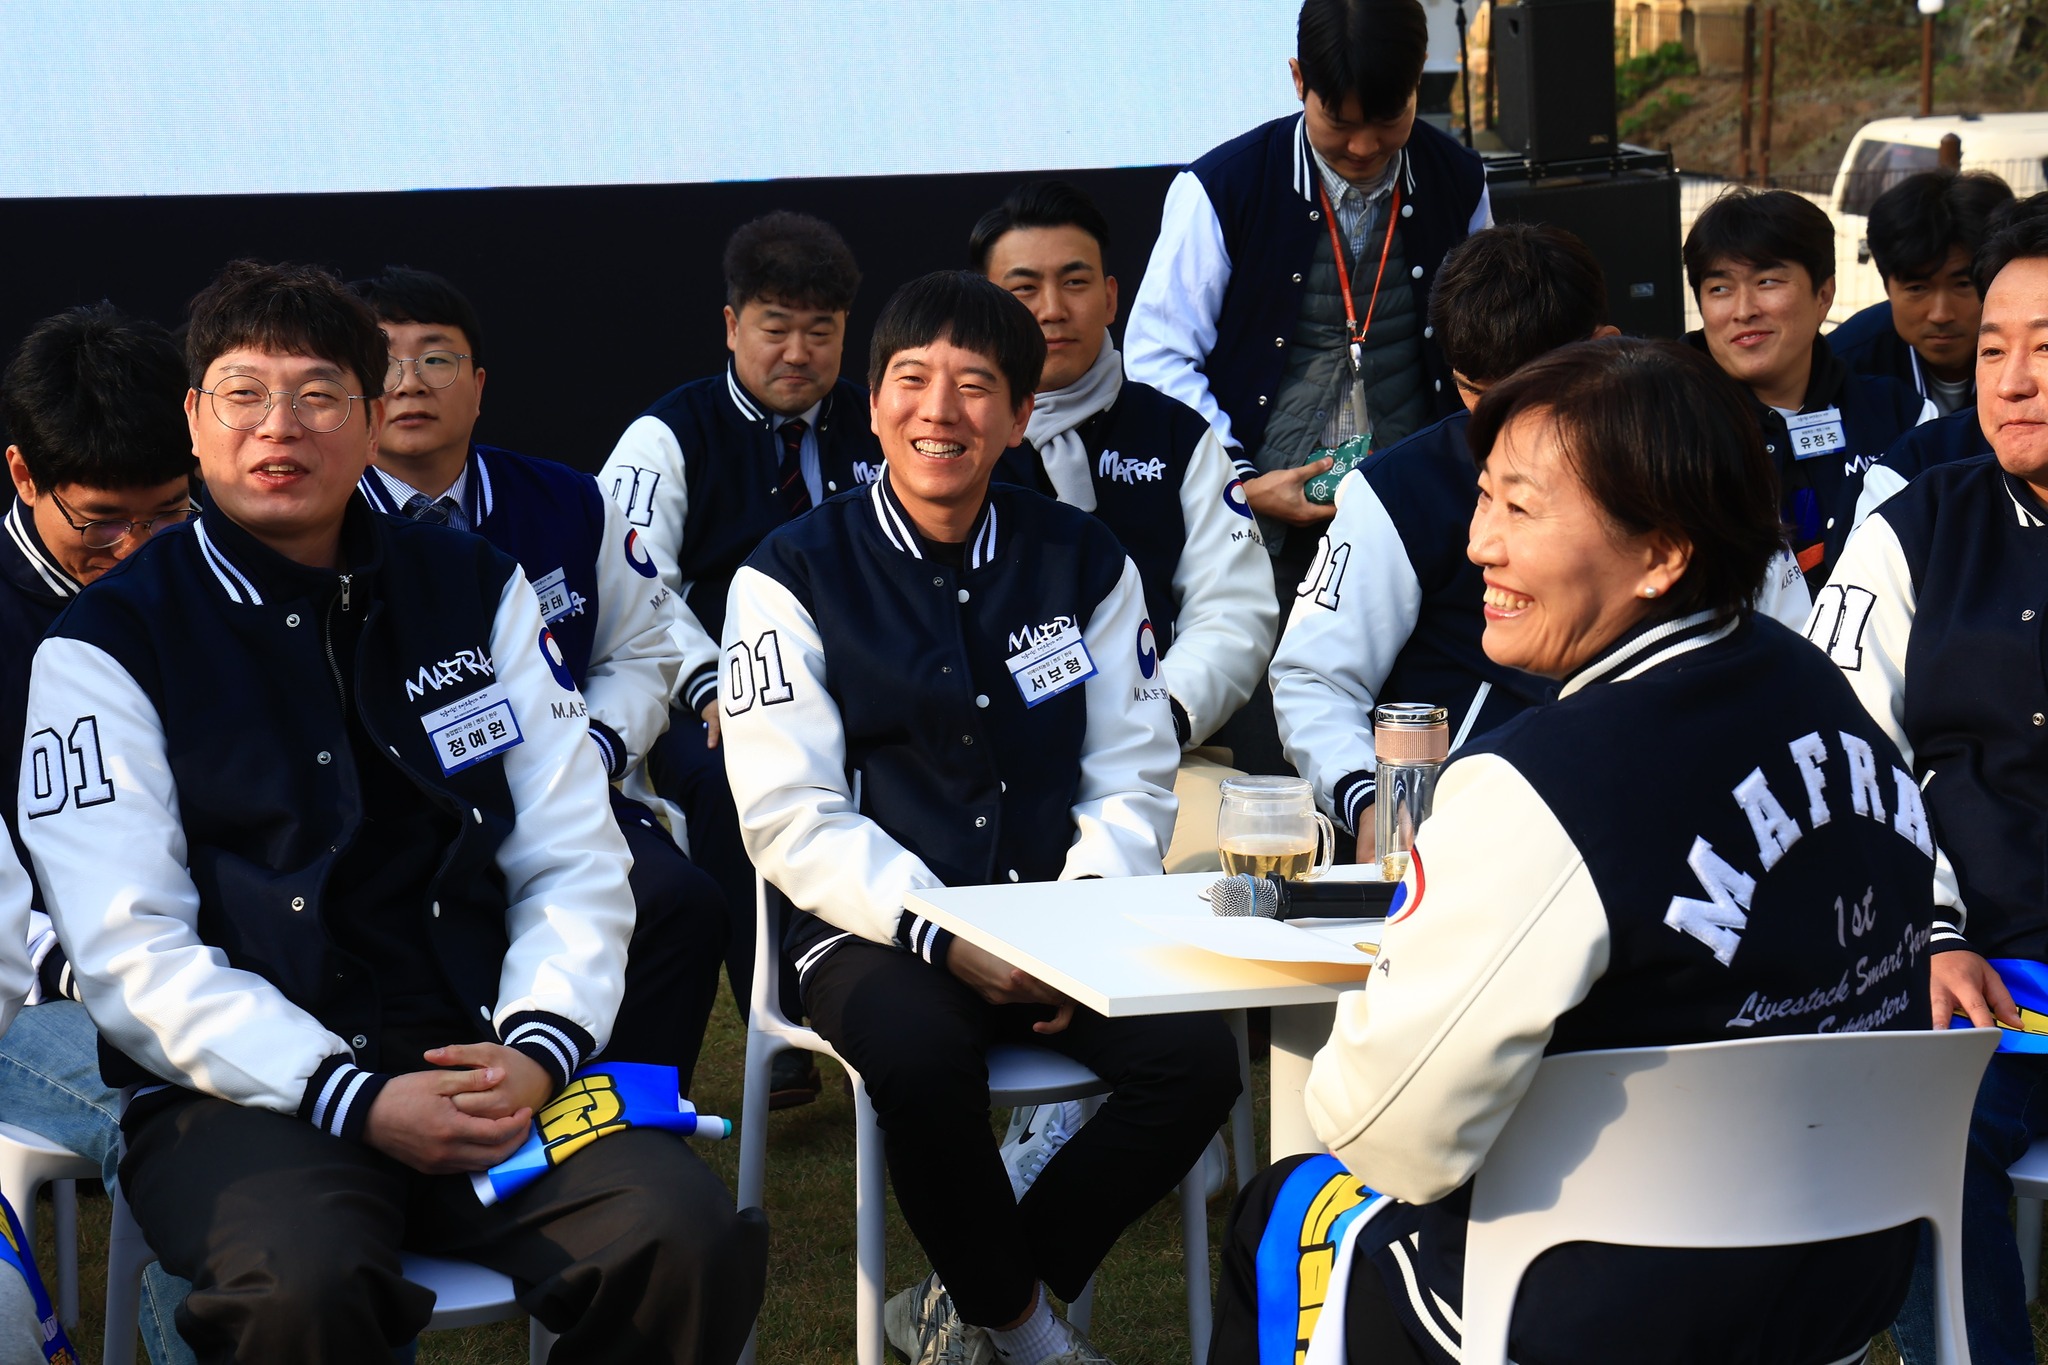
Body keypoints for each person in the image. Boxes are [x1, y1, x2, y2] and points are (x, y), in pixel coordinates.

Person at [18, 260, 767, 1363]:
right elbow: (130, 950)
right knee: (300, 1290)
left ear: (372, 423)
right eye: (243, 393)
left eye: (319, 395)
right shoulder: (107, 643)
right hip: (245, 1100)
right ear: (194, 421)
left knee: (683, 1236)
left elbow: (571, 851)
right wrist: (350, 1096)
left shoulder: (476, 584)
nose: (281, 426)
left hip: (480, 1064)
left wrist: (539, 1047)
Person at [1210, 337, 1938, 1364]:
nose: (1478, 545)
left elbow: (1383, 1132)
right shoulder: (1832, 698)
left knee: (1282, 1205)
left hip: (1571, 1312)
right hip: (1833, 1290)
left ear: (1662, 553)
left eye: (1520, 508)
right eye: (1482, 499)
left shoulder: (1540, 786)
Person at [721, 271, 1240, 1365]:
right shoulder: (787, 574)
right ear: (873, 405)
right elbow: (790, 813)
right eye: (911, 381)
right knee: (919, 1060)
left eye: (974, 386)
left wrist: (1073, 925)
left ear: (1018, 415)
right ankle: (1031, 1338)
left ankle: (965, 1307)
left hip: (1060, 918)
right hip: (872, 932)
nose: (940, 411)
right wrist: (942, 933)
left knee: (1198, 1060)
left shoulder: (1083, 559)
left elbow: (1131, 772)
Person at [348, 265, 728, 1092]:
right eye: (383, 361)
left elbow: (642, 651)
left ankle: (617, 1123)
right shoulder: (322, 523)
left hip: (569, 787)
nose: (409, 382)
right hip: (405, 811)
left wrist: (592, 748)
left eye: (436, 358)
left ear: (479, 384)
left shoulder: (570, 502)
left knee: (681, 903)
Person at [1126, 0, 1491, 773]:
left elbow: (1492, 336)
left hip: (1420, 532)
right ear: (1298, 80)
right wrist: (1241, 482)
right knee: (1277, 760)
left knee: (1423, 750)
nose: (1363, 147)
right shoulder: (1223, 186)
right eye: (1339, 122)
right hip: (1267, 536)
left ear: (1418, 87)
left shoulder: (1459, 181)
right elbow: (1158, 357)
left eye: (1387, 121)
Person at [1814, 212, 2048, 1365]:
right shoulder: (1910, 530)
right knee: (1907, 1134)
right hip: (1982, 975)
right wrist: (1927, 933)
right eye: (1993, 349)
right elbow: (1839, 756)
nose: (2010, 381)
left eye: (2044, 351)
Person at [598, 210, 883, 1108]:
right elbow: (635, 588)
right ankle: (785, 1005)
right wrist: (714, 682)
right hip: (715, 694)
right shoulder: (666, 435)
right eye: (775, 327)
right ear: (731, 325)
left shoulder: (880, 420)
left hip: (865, 679)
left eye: (820, 330)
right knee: (732, 775)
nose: (798, 351)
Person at [0, 304, 199, 1365]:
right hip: (39, 1002)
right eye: (101, 522)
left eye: (168, 514)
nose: (134, 552)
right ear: (23, 475)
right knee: (196, 1135)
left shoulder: (227, 580)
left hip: (224, 962)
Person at [971, 179, 1277, 757]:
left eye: (1075, 282)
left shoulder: (1179, 435)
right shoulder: (951, 442)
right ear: (983, 305)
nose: (1052, 309)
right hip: (989, 759)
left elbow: (1232, 609)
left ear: (1112, 298)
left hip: (1163, 751)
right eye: (1024, 288)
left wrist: (1156, 720)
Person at [1685, 187, 1932, 586]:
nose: (1743, 310)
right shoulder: (1667, 424)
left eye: (1767, 281)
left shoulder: (1900, 414)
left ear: (1824, 295)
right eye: (1719, 289)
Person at [1826, 170, 2012, 414]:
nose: (1940, 315)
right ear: (1887, 286)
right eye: (1917, 288)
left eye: (1963, 284)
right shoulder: (1843, 365)